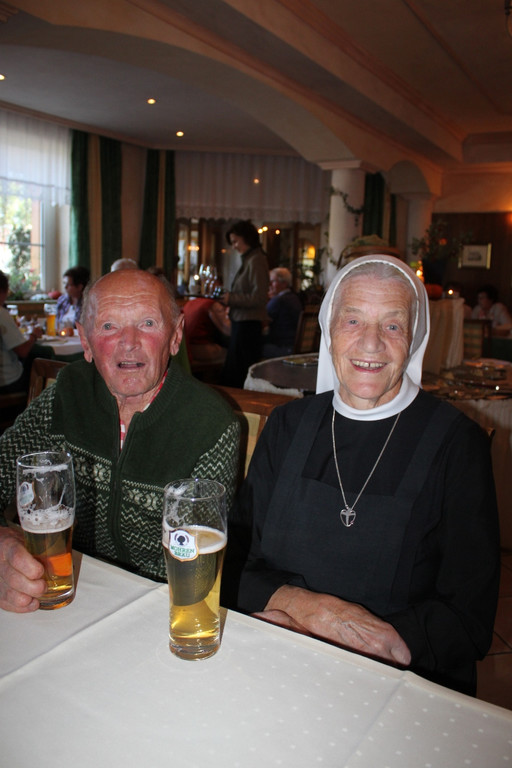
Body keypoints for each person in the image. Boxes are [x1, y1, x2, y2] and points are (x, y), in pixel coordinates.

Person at [225, 254, 499, 695]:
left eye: (392, 325)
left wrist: (383, 642)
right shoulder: (287, 426)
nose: (371, 344)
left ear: (415, 337)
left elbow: (469, 614)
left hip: (393, 684)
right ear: (329, 330)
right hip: (277, 659)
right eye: (352, 321)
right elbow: (234, 555)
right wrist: (309, 610)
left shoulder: (457, 445)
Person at [0, 269, 240, 612]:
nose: (129, 342)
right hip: (65, 594)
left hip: (158, 607)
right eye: (109, 326)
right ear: (85, 342)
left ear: (175, 336)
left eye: (147, 323)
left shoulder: (209, 423)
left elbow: (197, 572)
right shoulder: (67, 394)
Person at [219, 221, 269, 387]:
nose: (234, 246)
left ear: (246, 238)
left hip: (248, 325)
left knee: (239, 373)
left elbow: (259, 298)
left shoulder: (256, 260)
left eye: (235, 241)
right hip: (242, 322)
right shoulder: (250, 259)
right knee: (235, 372)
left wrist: (231, 299)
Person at [0, 270, 43, 393]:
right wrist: (33, 335)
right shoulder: (2, 314)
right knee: (37, 362)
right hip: (7, 382)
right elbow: (22, 351)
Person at [262, 267, 303, 358]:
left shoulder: (279, 300)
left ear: (284, 283)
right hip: (294, 348)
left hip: (283, 348)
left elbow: (262, 319)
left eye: (273, 281)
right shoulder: (294, 298)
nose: (269, 285)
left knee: (251, 345)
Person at [183, 297, 230, 368]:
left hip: (186, 350)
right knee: (232, 354)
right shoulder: (213, 305)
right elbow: (228, 330)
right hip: (199, 349)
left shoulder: (192, 302)